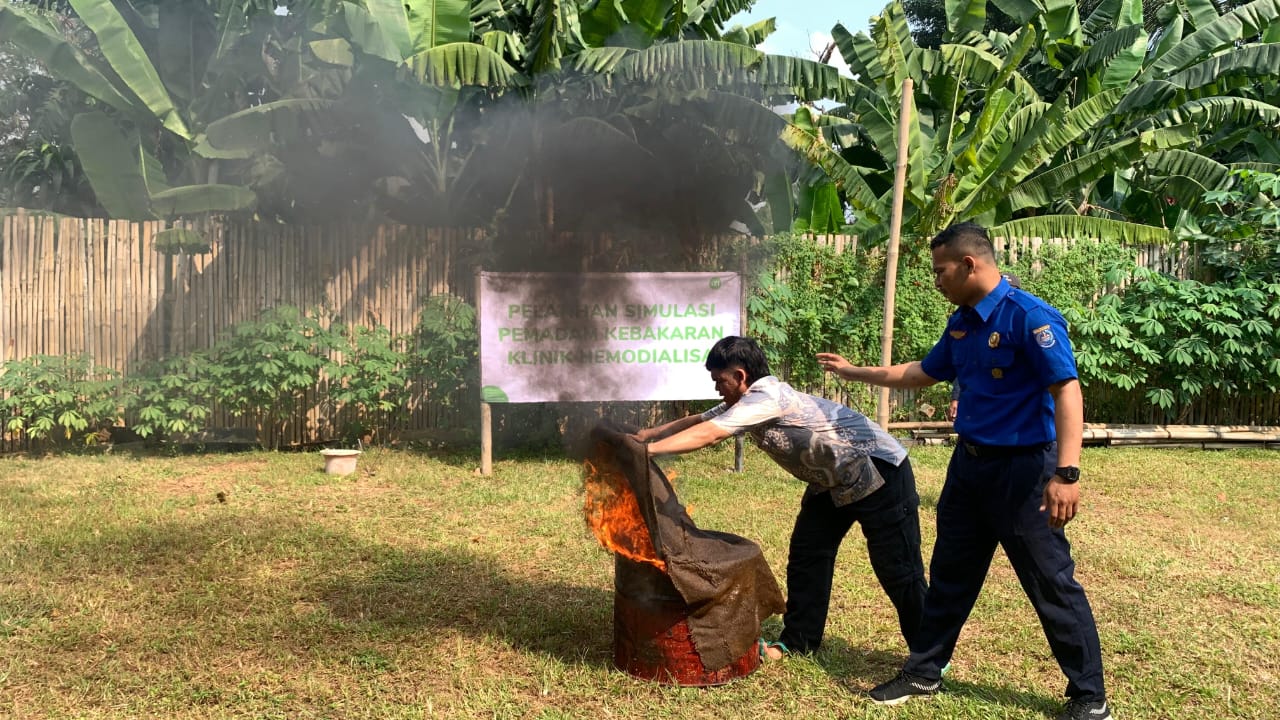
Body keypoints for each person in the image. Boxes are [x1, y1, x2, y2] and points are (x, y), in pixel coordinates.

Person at [816, 222, 1111, 720]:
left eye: (940, 270)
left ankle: (1089, 697)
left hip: (1024, 473)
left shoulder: (1029, 317)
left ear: (969, 264)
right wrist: (853, 372)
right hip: (970, 467)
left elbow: (1067, 390)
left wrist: (1067, 473)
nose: (936, 280)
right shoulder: (963, 322)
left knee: (1050, 581)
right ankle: (924, 671)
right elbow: (921, 373)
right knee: (950, 573)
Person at [634, 336, 927, 661]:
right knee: (808, 556)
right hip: (831, 480)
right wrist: (646, 436)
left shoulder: (767, 398)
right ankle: (799, 641)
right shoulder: (743, 402)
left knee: (898, 568)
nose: (718, 389)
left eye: (720, 381)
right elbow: (701, 421)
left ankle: (929, 656)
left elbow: (711, 434)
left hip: (879, 469)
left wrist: (646, 453)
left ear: (741, 376)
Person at [946, 272, 1021, 422]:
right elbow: (963, 368)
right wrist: (956, 398)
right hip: (979, 411)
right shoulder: (971, 324)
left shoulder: (1026, 323)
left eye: (1011, 292)